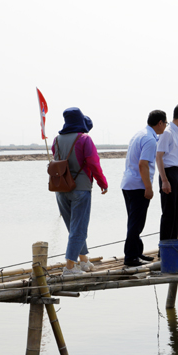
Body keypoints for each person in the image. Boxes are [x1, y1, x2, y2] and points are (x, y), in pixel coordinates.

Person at [52, 108, 108, 276]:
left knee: (73, 228)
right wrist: (102, 183)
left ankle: (83, 260)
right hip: (81, 188)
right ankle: (69, 267)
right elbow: (93, 163)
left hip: (60, 188)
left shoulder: (56, 139)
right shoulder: (84, 138)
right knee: (79, 228)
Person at [121, 110, 167, 267]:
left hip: (128, 183)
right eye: (165, 123)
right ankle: (130, 257)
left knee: (134, 221)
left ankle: (137, 251)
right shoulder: (150, 139)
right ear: (160, 123)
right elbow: (143, 164)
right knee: (136, 223)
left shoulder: (139, 134)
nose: (165, 126)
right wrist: (148, 187)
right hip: (138, 185)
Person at [156, 103, 178, 242]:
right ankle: (164, 247)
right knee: (169, 213)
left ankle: (172, 245)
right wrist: (164, 180)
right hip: (169, 173)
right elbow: (159, 156)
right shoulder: (168, 132)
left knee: (177, 212)